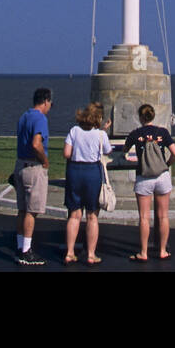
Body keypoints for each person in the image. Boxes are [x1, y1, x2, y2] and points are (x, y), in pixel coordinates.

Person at [119, 103, 175, 261]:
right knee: (163, 216)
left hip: (144, 176)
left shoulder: (135, 133)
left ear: (140, 117)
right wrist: (167, 164)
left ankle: (143, 252)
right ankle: (163, 250)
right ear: (153, 116)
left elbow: (124, 150)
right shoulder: (162, 132)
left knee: (144, 217)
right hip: (162, 176)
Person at [62, 101, 111, 265]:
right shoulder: (100, 135)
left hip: (74, 172)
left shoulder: (74, 131)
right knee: (92, 215)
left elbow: (67, 153)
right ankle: (91, 254)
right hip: (92, 173)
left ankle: (69, 253)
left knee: (74, 214)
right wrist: (103, 132)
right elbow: (107, 150)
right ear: (98, 117)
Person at [13, 87, 53, 265]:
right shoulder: (40, 118)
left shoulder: (24, 116)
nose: (50, 106)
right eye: (50, 103)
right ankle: (27, 252)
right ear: (45, 101)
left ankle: (21, 246)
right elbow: (36, 144)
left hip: (20, 164)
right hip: (33, 166)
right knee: (32, 211)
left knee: (22, 209)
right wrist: (44, 161)